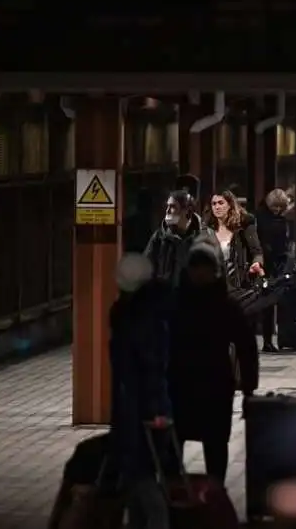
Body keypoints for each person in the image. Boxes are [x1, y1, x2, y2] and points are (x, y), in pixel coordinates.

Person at [168, 237, 259, 484]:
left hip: (214, 385)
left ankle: (215, 495)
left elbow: (246, 347)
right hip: (179, 384)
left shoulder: (224, 305)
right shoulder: (174, 303)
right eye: (196, 267)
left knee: (215, 444)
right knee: (173, 447)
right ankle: (177, 496)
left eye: (204, 267)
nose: (200, 273)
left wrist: (249, 387)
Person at [109, 253, 171, 529]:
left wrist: (153, 408)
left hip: (139, 409)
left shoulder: (136, 319)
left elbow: (146, 368)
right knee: (139, 474)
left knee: (140, 474)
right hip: (141, 406)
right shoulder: (149, 313)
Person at [144, 190, 209, 287]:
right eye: (167, 206)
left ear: (187, 211)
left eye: (173, 207)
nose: (167, 211)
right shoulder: (159, 237)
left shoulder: (204, 237)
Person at [205, 190, 265, 290]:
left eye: (221, 203)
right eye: (214, 204)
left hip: (238, 284)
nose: (217, 207)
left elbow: (257, 252)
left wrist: (257, 263)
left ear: (230, 205)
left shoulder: (243, 227)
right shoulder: (207, 229)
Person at [256, 189, 292, 352]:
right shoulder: (261, 218)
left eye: (280, 207)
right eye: (275, 207)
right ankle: (266, 339)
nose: (277, 210)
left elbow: (285, 241)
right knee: (265, 302)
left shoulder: (282, 219)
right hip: (265, 263)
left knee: (276, 301)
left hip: (278, 262)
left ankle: (277, 338)